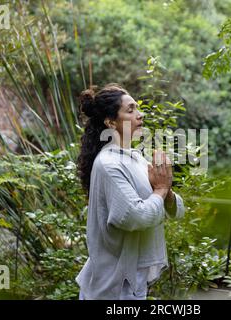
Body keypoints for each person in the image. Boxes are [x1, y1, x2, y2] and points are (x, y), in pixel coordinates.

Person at [75, 83, 185, 300]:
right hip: (110, 290)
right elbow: (135, 216)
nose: (140, 115)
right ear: (111, 122)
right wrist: (161, 189)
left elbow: (176, 211)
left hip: (132, 285)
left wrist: (167, 192)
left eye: (138, 108)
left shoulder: (134, 157)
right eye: (131, 110)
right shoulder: (108, 164)